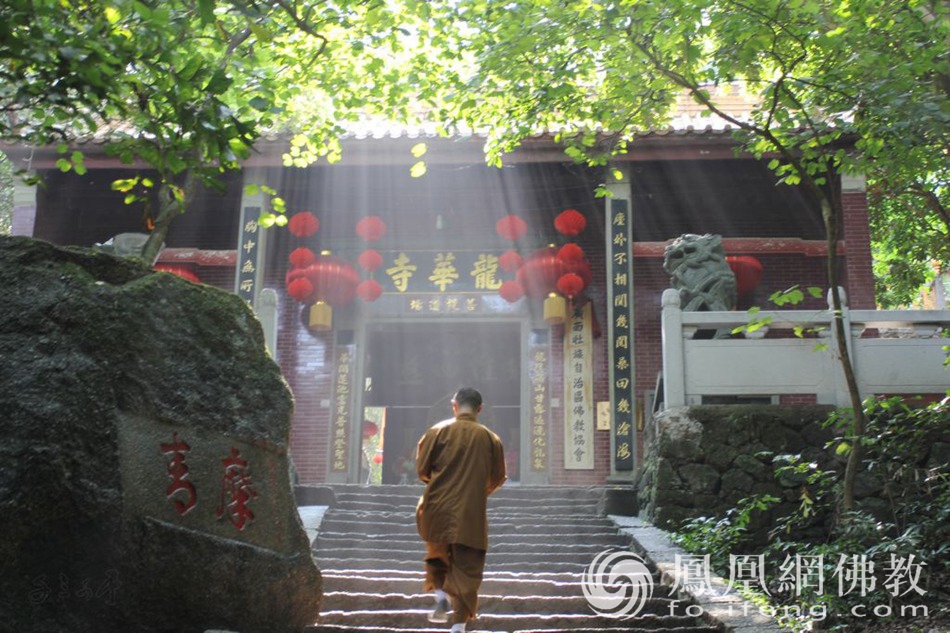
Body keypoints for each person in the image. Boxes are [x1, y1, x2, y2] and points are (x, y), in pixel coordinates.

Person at [415, 387, 507, 633]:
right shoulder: (490, 438)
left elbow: (422, 469)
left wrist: (441, 484)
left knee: (437, 554)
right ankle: (458, 625)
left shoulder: (436, 432)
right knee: (468, 566)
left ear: (454, 405)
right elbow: (498, 477)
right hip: (470, 513)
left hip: (437, 508)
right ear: (480, 409)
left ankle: (440, 596)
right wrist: (475, 491)